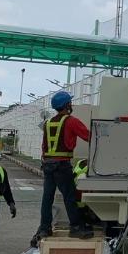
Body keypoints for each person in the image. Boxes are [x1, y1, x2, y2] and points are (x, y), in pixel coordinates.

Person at [35, 91, 93, 243]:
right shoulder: (71, 121)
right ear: (67, 105)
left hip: (48, 165)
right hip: (62, 165)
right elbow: (89, 136)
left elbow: (44, 146)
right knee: (70, 196)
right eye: (70, 102)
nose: (71, 104)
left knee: (47, 198)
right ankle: (75, 227)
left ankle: (44, 228)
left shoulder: (47, 123)